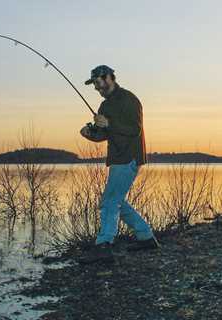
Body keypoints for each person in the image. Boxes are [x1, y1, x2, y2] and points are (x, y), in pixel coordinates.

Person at [79, 65, 160, 264]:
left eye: (99, 82)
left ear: (110, 78)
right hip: (116, 158)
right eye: (95, 85)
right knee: (117, 201)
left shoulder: (129, 99)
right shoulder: (104, 107)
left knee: (109, 202)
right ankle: (146, 237)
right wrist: (90, 134)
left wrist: (109, 124)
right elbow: (105, 134)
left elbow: (134, 129)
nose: (98, 87)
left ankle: (104, 246)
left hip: (129, 158)